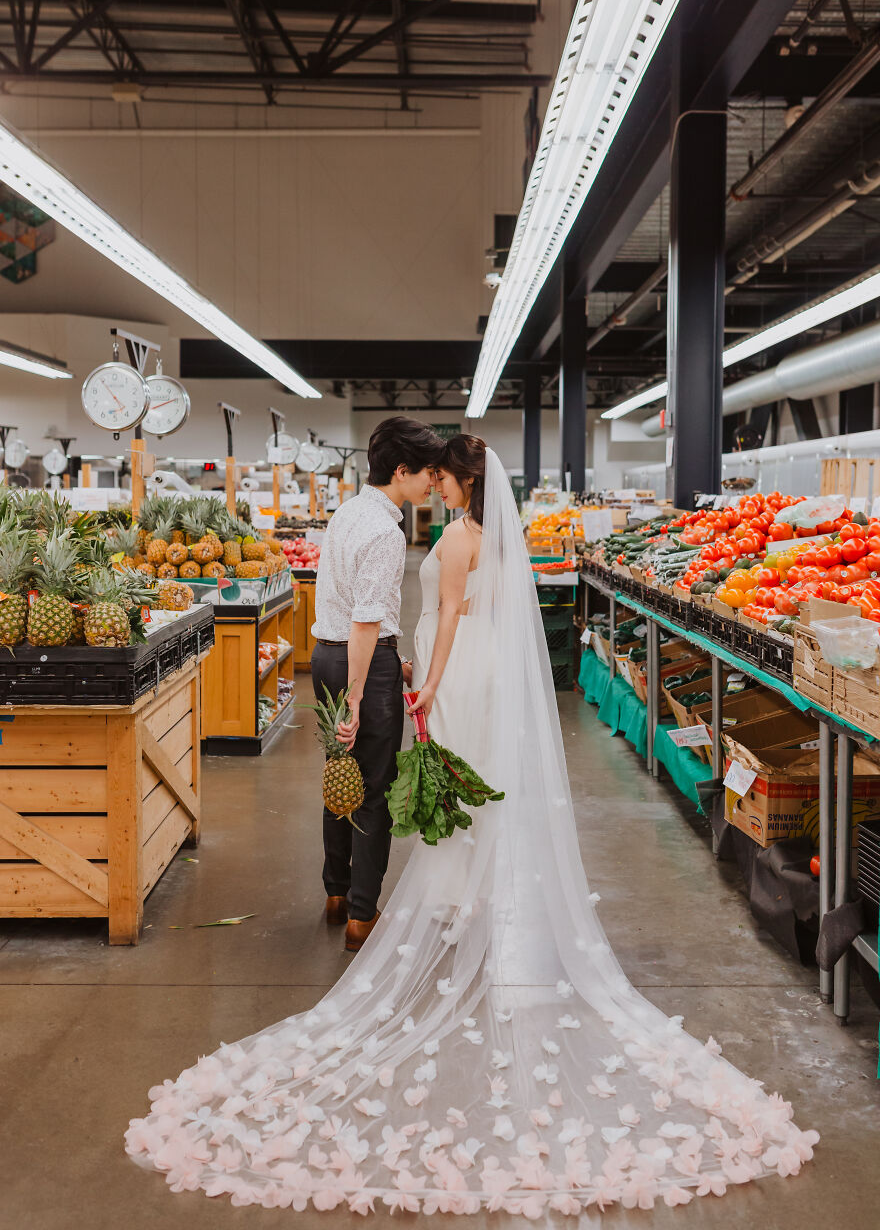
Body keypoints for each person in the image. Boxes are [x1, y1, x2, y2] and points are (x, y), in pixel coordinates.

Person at [126, 437, 818, 1216]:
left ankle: (453, 899)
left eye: (446, 478)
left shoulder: (454, 537)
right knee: (476, 784)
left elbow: (448, 619)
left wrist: (430, 683)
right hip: (479, 664)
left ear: (461, 480)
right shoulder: (485, 536)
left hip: (456, 665)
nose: (438, 487)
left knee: (443, 787)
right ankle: (475, 895)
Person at [310, 416, 444, 953]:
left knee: (340, 774)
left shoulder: (348, 512)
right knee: (374, 790)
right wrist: (363, 694)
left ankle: (336, 893)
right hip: (360, 663)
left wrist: (390, 658)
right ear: (401, 469)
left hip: (327, 655)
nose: (434, 482)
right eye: (427, 472)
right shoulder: (387, 533)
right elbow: (366, 620)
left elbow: (350, 608)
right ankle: (363, 917)